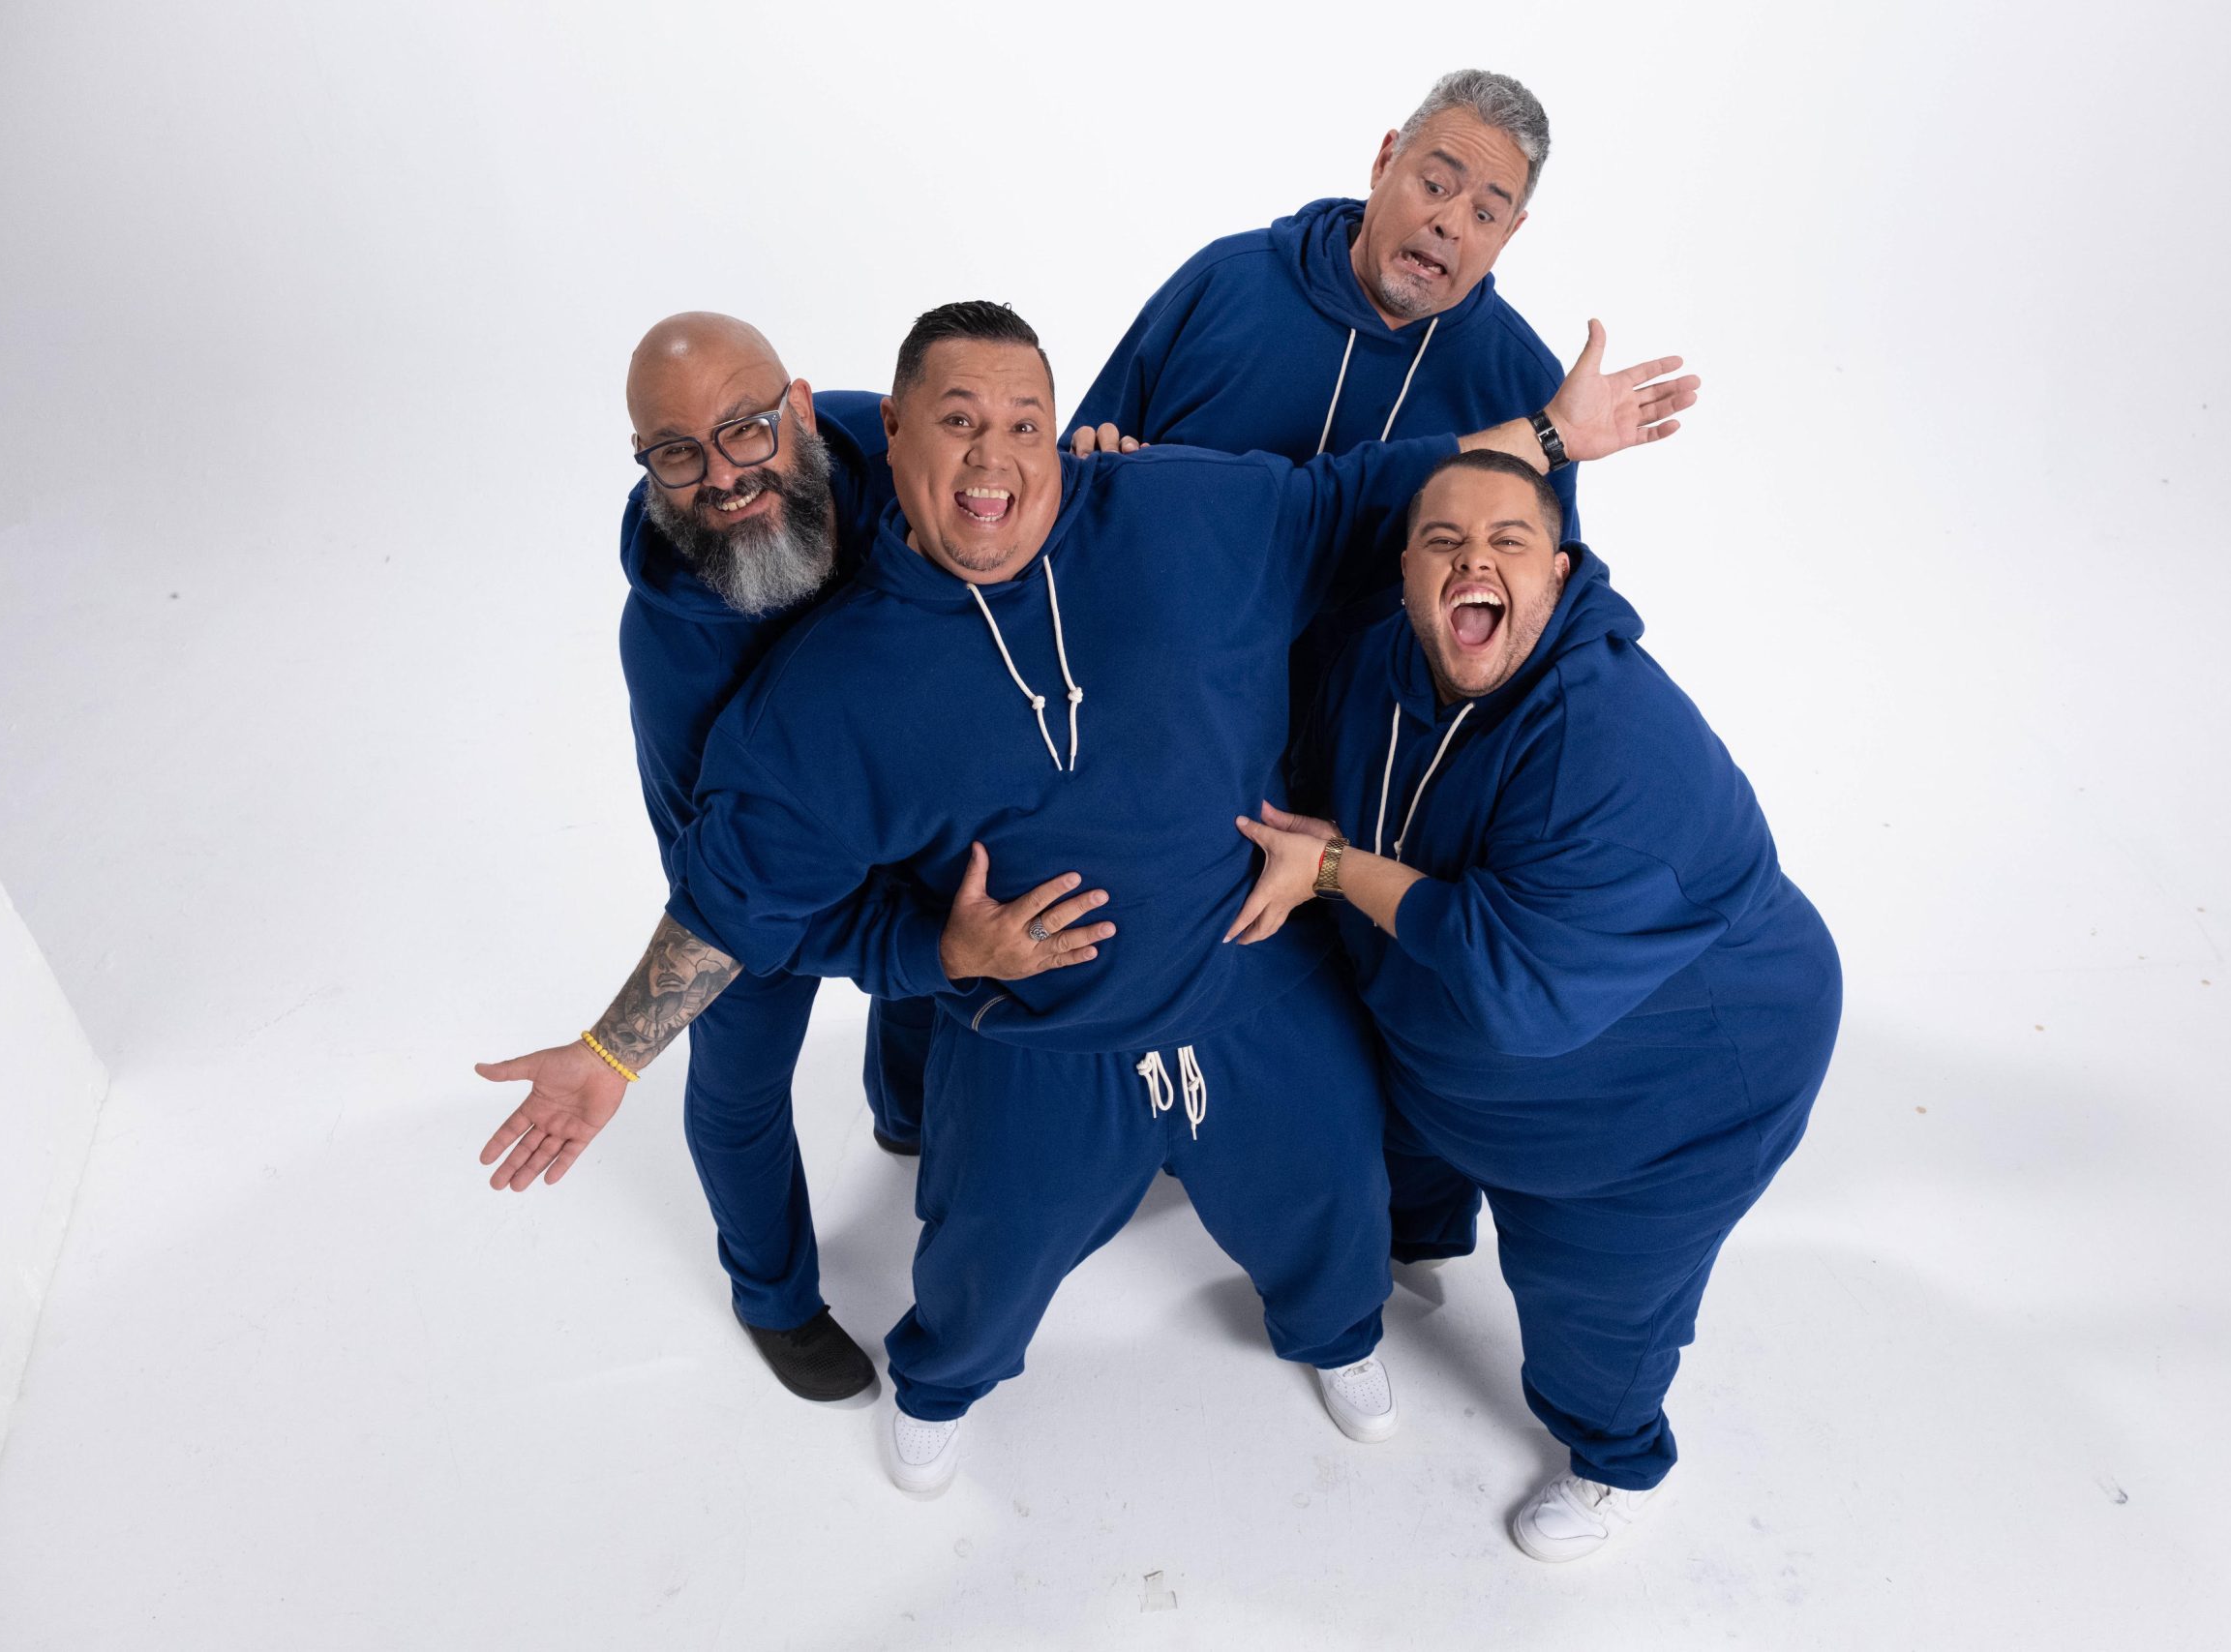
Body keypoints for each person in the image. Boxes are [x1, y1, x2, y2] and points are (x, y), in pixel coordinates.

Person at [474, 301, 1695, 1498]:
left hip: (1251, 977)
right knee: (976, 1258)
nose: (990, 455)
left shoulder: (1181, 510)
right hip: (1033, 1021)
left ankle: (1337, 1333)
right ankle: (914, 1372)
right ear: (897, 434)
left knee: (1334, 1204)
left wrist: (1550, 435)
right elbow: (736, 895)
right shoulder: (795, 688)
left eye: (1024, 424)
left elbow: (1362, 493)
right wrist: (613, 1052)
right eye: (958, 423)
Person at [1227, 450, 1841, 1562]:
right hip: (1448, 1037)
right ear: (1406, 570)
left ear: (1557, 574)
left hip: (1665, 1100)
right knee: (1398, 1122)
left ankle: (1616, 1462)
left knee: (1593, 1307)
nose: (1474, 560)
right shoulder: (1377, 661)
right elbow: (1329, 791)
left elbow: (1518, 994)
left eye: (1508, 541)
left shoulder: (1614, 742)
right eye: (1444, 541)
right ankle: (1425, 1236)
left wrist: (1337, 871)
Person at [521, 312, 936, 1403]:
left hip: (910, 806)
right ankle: (772, 1296)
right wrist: (614, 1053)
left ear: (799, 409)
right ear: (645, 461)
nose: (720, 474)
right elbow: (722, 880)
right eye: (677, 451)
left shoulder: (887, 446)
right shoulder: (668, 649)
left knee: (934, 983)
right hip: (753, 892)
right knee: (741, 1081)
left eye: (745, 429)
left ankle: (907, 1114)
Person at [1070, 69, 1604, 553]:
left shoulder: (1527, 386)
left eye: (1485, 214)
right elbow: (1069, 480)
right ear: (1385, 161)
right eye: (1435, 186)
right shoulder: (1226, 280)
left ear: (1510, 233)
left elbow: (1548, 593)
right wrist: (1091, 469)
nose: (1451, 224)